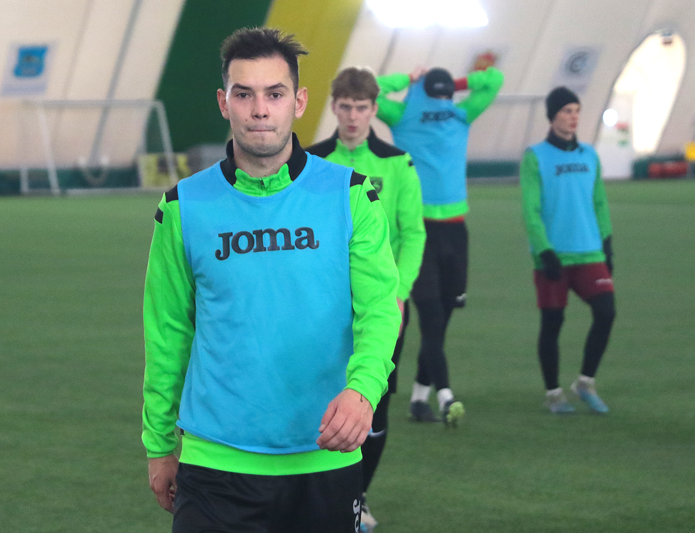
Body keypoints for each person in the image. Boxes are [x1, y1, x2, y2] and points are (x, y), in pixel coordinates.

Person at [142, 27, 401, 532]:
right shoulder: (181, 207)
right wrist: (158, 444)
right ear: (224, 103)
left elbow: (379, 309)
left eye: (275, 94)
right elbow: (167, 332)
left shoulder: (351, 196)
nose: (260, 110)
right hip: (215, 463)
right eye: (244, 94)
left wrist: (363, 390)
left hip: (324, 457)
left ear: (299, 102)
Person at [306, 66, 425, 532]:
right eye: (345, 107)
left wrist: (398, 295)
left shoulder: (398, 163)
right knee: (319, 397)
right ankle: (313, 491)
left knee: (373, 407)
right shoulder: (311, 162)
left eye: (361, 108)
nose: (353, 116)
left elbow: (413, 234)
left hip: (381, 308)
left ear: (375, 109)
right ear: (333, 108)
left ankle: (358, 496)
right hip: (324, 308)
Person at [376, 65, 504, 425]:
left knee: (442, 319)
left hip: (454, 232)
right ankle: (445, 395)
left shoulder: (433, 114)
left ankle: (419, 398)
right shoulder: (450, 113)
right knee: (433, 318)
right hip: (419, 232)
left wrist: (417, 81)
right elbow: (494, 79)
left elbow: (373, 89)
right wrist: (438, 82)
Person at [519, 86, 616, 414]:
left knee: (606, 312)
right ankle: (553, 393)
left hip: (590, 252)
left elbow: (599, 202)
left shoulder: (590, 155)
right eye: (566, 111)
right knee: (553, 322)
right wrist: (544, 250)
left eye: (576, 110)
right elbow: (531, 210)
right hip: (553, 256)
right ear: (552, 116)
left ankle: (585, 382)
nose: (573, 117)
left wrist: (607, 243)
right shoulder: (535, 157)